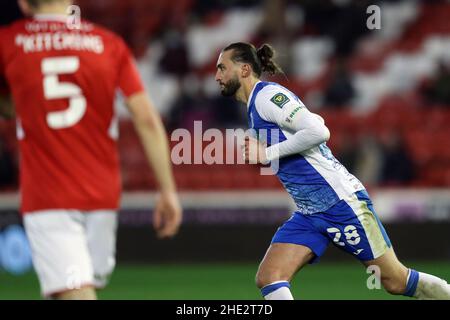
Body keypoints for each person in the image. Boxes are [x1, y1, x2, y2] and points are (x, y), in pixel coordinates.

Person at [214, 42, 450, 300]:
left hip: (340, 203)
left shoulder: (266, 97)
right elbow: (313, 122)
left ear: (245, 69)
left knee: (395, 281)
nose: (217, 76)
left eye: (222, 68)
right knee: (270, 277)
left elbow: (318, 132)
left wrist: (267, 153)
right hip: (309, 212)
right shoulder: (255, 105)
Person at [0, 0, 182, 299]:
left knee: (75, 293)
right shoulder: (107, 44)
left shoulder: (9, 42)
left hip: (49, 197)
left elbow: (9, 106)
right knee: (75, 290)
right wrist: (168, 190)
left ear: (22, 3)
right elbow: (147, 118)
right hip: (102, 196)